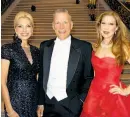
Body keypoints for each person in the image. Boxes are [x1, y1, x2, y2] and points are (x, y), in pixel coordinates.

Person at [37, 8, 94, 117]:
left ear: (71, 25)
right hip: (47, 105)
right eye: (57, 23)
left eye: (65, 22)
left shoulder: (84, 47)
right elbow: (41, 76)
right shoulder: (44, 46)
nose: (61, 27)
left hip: (71, 106)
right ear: (53, 26)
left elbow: (88, 78)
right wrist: (40, 102)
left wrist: (80, 101)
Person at [80, 11, 130, 117]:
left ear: (116, 28)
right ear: (99, 26)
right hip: (94, 93)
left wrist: (126, 91)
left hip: (113, 95)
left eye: (111, 24)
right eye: (104, 23)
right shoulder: (96, 46)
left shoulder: (123, 47)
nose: (106, 27)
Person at [1, 11, 40, 117]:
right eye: (20, 26)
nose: (24, 30)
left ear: (32, 29)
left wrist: (39, 104)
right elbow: (2, 82)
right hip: (15, 103)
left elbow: (37, 79)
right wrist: (9, 110)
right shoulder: (7, 49)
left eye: (28, 26)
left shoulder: (36, 51)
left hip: (33, 102)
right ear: (15, 29)